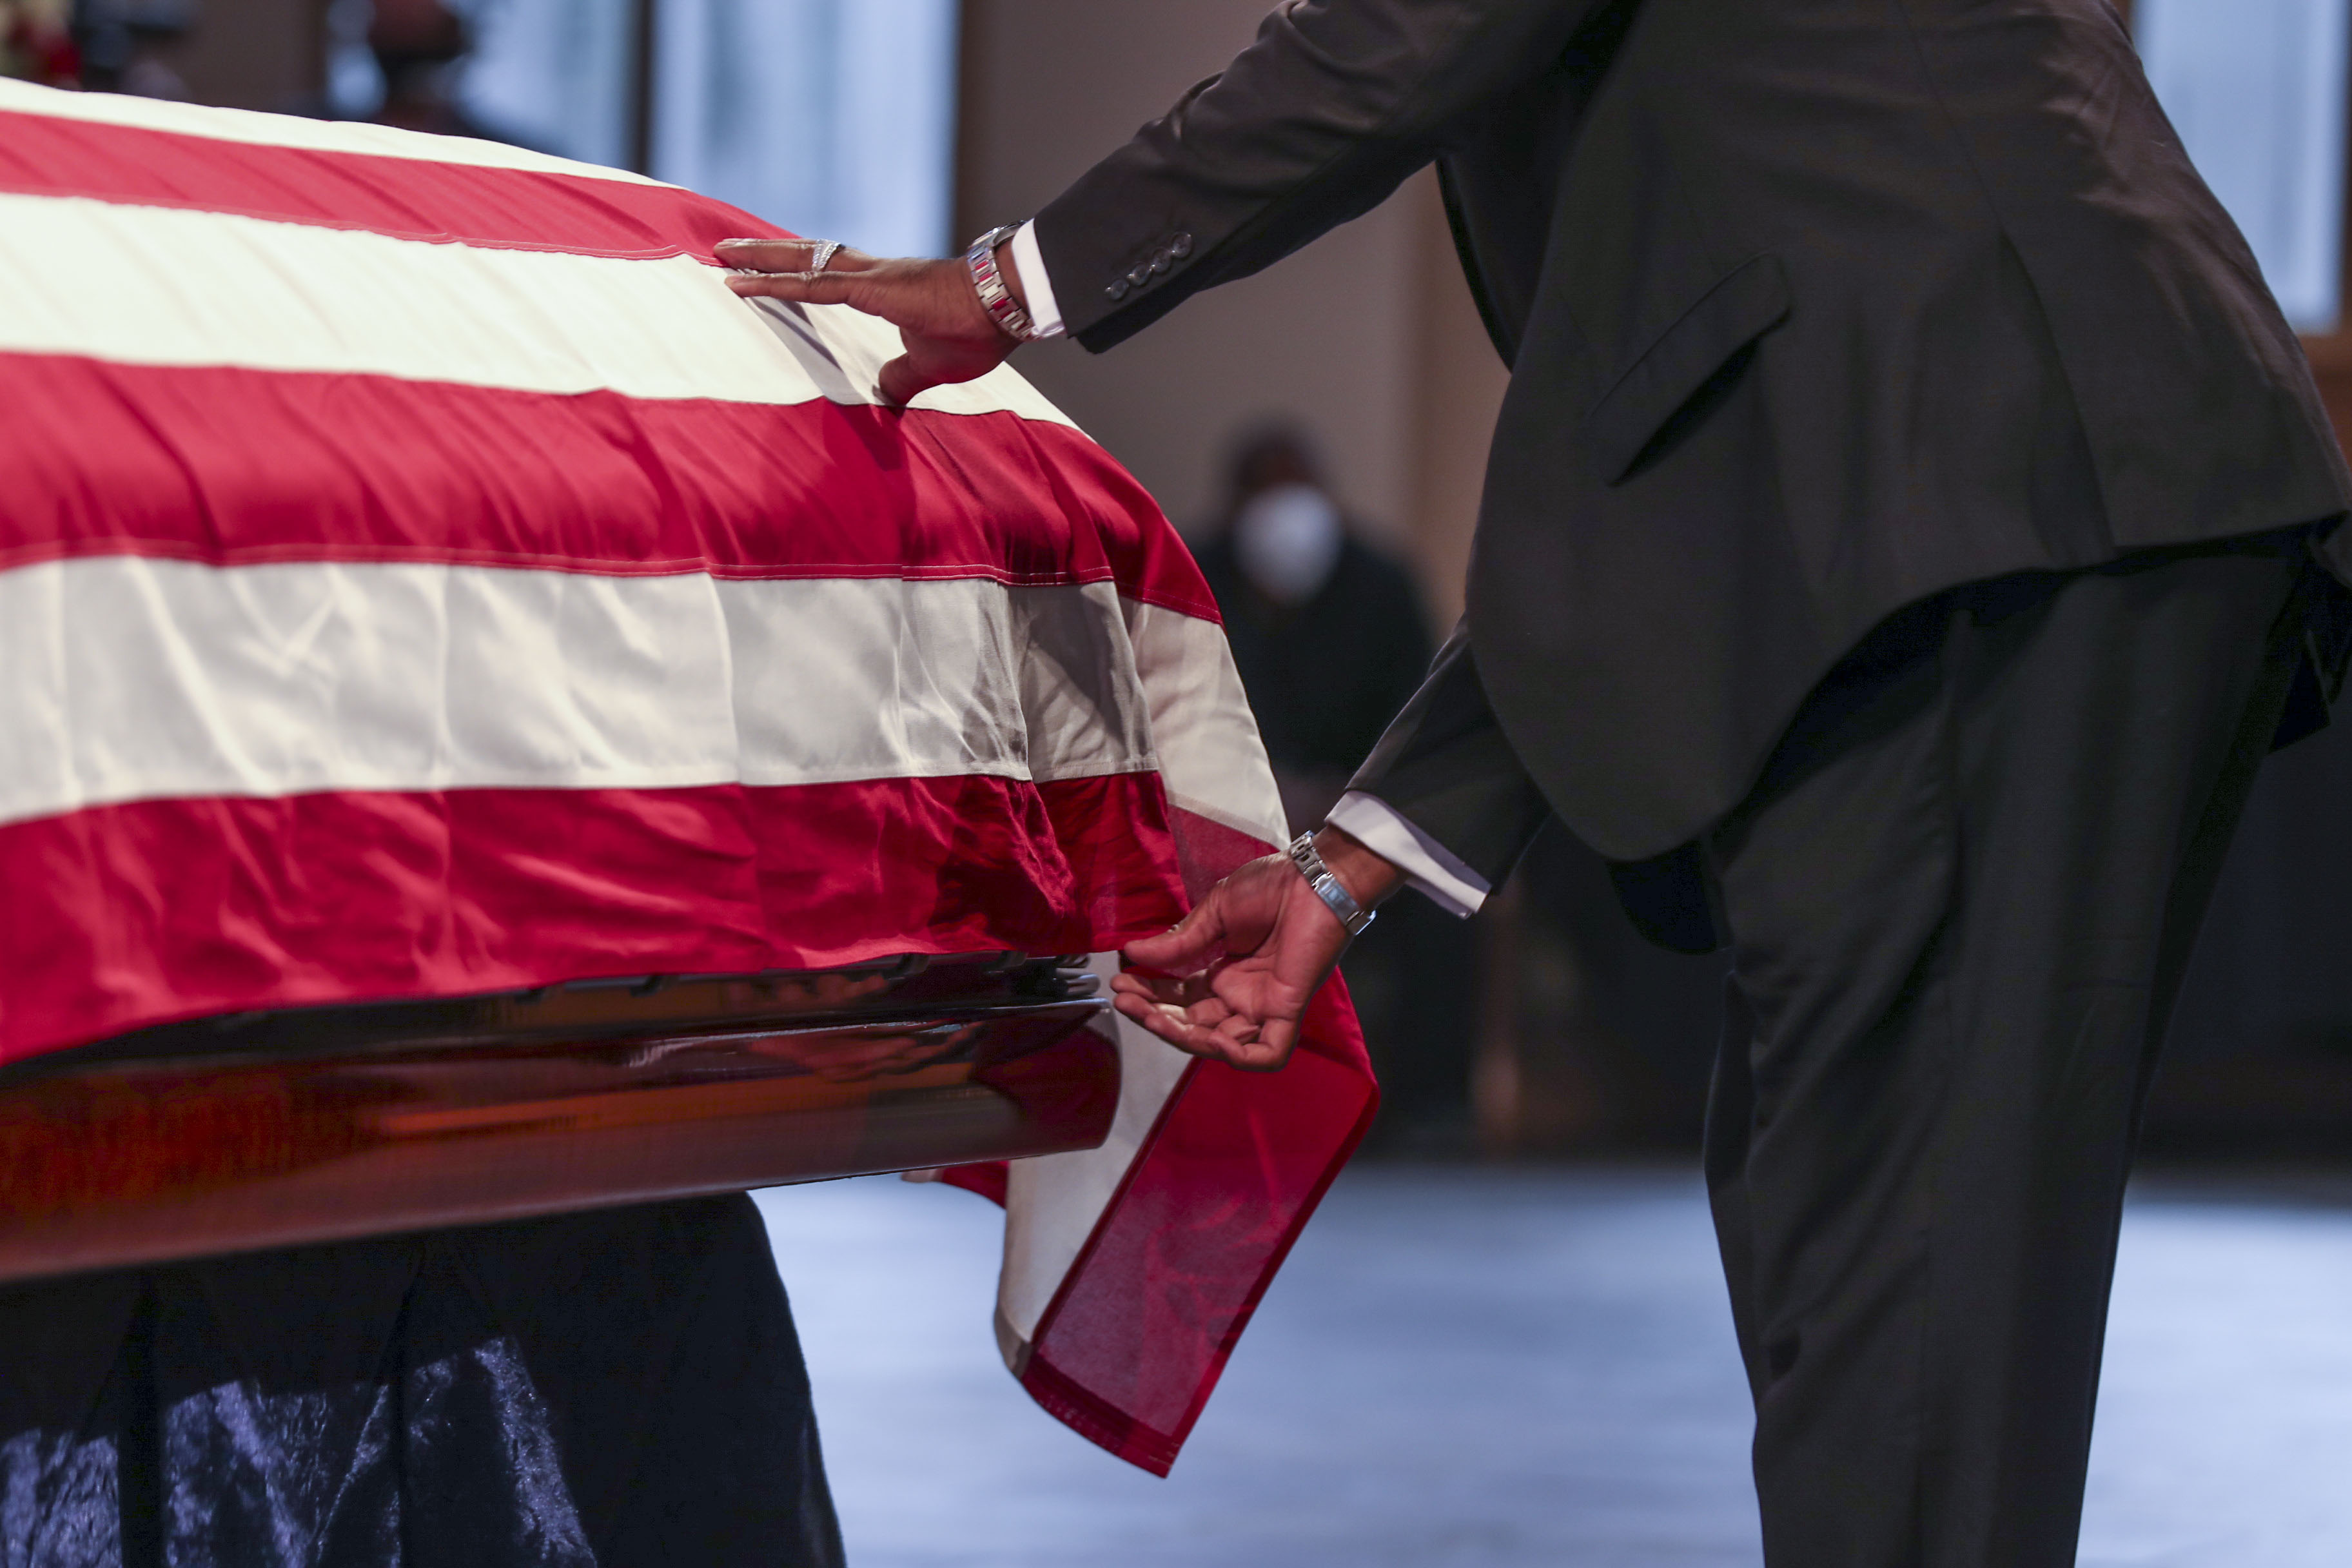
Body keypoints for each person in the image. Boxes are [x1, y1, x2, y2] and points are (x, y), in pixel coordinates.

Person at [720, 1, 2352, 1561]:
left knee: (1899, 1281)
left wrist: (1007, 285)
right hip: (1999, 491)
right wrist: (1346, 864)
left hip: (1966, 495)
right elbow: (1670, 462)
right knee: (1874, 1243)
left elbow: (1389, 49)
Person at [1193, 420, 1476, 1149]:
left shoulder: (1381, 581)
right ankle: (1215, 1109)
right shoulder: (1195, 576)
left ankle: (1428, 1109)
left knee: (1444, 906)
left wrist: (1348, 799)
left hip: (1364, 819)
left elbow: (1420, 710)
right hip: (1228, 824)